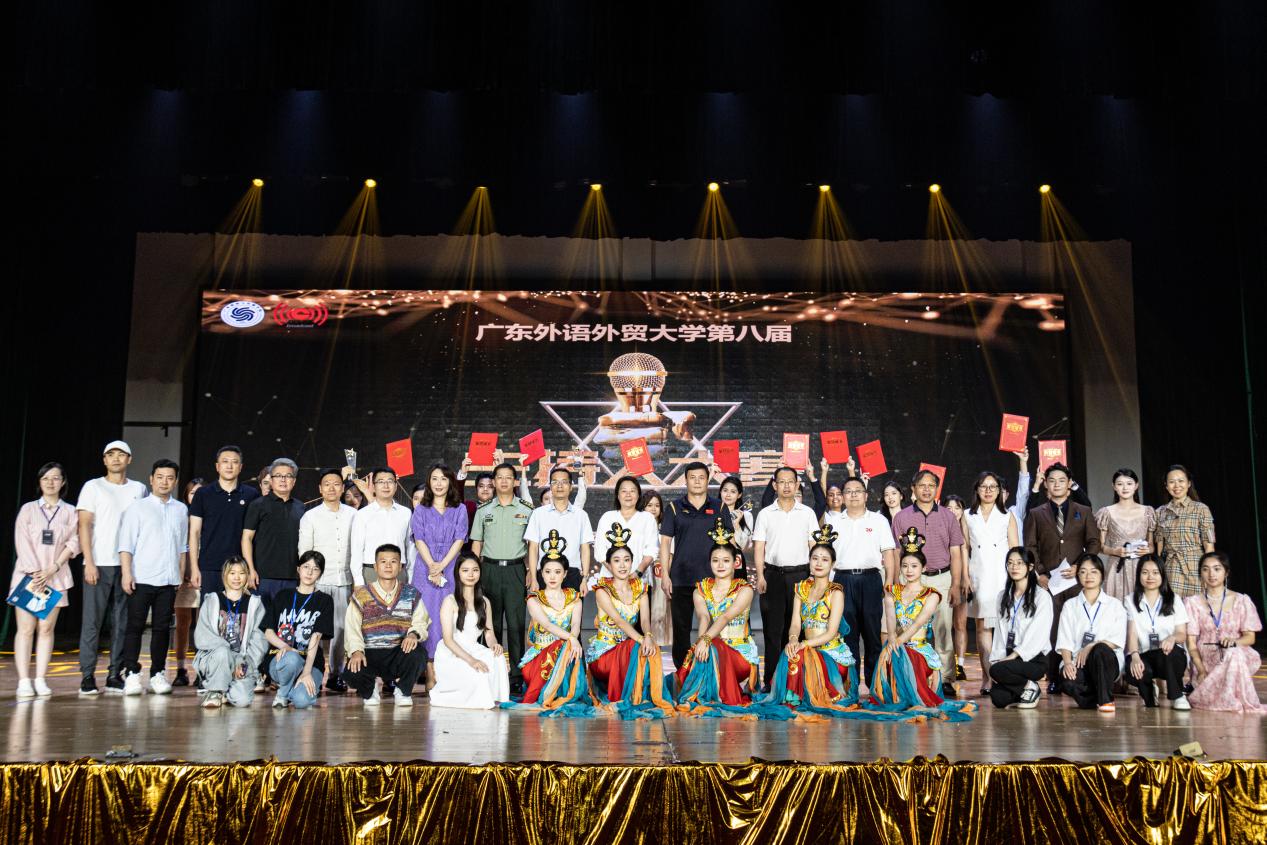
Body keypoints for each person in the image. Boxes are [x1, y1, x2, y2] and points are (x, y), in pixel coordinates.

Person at [756, 529, 863, 718]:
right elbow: (795, 624)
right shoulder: (801, 588)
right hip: (808, 650)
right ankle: (792, 698)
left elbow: (831, 633)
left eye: (825, 559)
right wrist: (792, 639)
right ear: (809, 561)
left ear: (833, 564)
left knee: (800, 656)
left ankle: (801, 698)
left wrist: (803, 644)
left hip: (830, 654)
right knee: (790, 652)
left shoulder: (836, 592)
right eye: (815, 558)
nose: (819, 563)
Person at [1023, 462, 1102, 693]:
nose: (1056, 484)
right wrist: (1040, 573)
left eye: (1061, 480)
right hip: (1049, 581)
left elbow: (1094, 542)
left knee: (1080, 623)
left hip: (1077, 579)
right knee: (1053, 626)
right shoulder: (1036, 513)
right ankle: (1055, 676)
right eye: (1052, 480)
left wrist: (1080, 566)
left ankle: (1082, 672)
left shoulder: (1083, 511)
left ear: (1069, 484)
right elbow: (1030, 546)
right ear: (1046, 485)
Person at [869, 540, 973, 717]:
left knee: (903, 656)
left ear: (923, 568)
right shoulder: (892, 592)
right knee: (887, 655)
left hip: (920, 649)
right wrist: (892, 640)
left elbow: (918, 623)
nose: (909, 570)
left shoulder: (931, 595)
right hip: (898, 645)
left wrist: (897, 642)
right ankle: (897, 698)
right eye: (905, 566)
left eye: (914, 566)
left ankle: (914, 700)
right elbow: (890, 621)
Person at [76, 440, 148, 696]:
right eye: (111, 455)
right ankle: (87, 676)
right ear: (104, 460)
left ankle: (114, 674)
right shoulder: (93, 487)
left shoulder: (139, 489)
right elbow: (84, 525)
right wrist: (89, 561)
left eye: (121, 454)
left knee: (122, 622)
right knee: (92, 622)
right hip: (99, 563)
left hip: (128, 565)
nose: (116, 458)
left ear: (129, 459)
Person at [189, 445, 260, 691]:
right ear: (217, 466)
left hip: (239, 570)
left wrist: (250, 569)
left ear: (241, 467)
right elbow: (194, 532)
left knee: (241, 622)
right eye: (225, 461)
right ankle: (204, 673)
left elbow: (252, 535)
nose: (230, 465)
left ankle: (240, 671)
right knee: (208, 621)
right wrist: (194, 567)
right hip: (210, 566)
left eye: (234, 461)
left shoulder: (251, 494)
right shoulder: (204, 494)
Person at [117, 459, 189, 696]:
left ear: (175, 481)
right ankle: (131, 673)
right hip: (141, 578)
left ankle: (158, 673)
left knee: (162, 629)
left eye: (169, 477)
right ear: (151, 479)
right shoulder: (138, 508)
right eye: (160, 477)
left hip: (168, 580)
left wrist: (180, 574)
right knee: (135, 627)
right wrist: (127, 573)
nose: (164, 482)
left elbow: (182, 546)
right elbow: (126, 544)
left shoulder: (181, 509)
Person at [891, 469, 965, 696]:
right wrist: (895, 582)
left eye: (931, 485)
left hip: (941, 578)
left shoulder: (948, 516)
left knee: (943, 629)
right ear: (913, 489)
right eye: (921, 485)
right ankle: (908, 675)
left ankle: (946, 678)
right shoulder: (901, 517)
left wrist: (955, 584)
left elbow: (956, 552)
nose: (926, 489)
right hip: (910, 579)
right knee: (908, 629)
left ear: (937, 489)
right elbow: (896, 553)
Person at [11, 462, 81, 700]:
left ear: (63, 482)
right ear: (39, 482)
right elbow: (21, 541)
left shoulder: (70, 511)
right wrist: (36, 573)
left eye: (55, 478)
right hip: (28, 577)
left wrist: (53, 567)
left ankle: (40, 678)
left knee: (46, 628)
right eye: (45, 478)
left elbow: (74, 542)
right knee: (26, 629)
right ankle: (23, 681)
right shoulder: (28, 509)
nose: (50, 483)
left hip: (56, 576)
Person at [821, 475, 897, 690]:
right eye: (848, 491)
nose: (853, 495)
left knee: (873, 635)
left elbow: (888, 553)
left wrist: (889, 582)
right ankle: (850, 686)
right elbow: (825, 555)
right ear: (843, 497)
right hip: (842, 581)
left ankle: (875, 686)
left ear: (866, 495)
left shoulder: (879, 520)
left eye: (857, 491)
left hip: (871, 579)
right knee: (847, 636)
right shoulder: (833, 522)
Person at [586, 540, 675, 718]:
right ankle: (625, 698)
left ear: (632, 562)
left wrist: (648, 636)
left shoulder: (640, 588)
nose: (622, 565)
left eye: (626, 560)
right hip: (604, 653)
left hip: (626, 651)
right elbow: (619, 621)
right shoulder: (602, 590)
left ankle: (643, 695)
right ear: (609, 565)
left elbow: (645, 620)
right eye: (617, 560)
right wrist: (642, 639)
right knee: (636, 646)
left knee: (649, 647)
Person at [675, 530, 758, 713]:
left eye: (726, 561)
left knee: (712, 645)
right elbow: (704, 617)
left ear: (736, 562)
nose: (720, 565)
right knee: (705, 650)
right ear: (710, 562)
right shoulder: (701, 590)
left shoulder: (744, 590)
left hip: (740, 654)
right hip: (715, 649)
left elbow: (726, 616)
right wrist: (700, 644)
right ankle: (701, 696)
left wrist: (706, 640)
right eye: (715, 560)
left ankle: (700, 697)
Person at [752, 466, 821, 690]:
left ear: (797, 484)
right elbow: (759, 547)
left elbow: (814, 546)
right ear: (774, 485)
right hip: (772, 575)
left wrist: (814, 577)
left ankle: (795, 681)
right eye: (781, 482)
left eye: (791, 481)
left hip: (801, 576)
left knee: (798, 631)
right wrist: (760, 575)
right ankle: (771, 682)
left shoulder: (807, 513)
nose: (786, 486)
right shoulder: (765, 514)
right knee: (772, 631)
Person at [470, 461, 534, 696]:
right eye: (500, 477)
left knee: (516, 625)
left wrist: (531, 571)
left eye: (508, 477)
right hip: (489, 570)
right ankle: (490, 672)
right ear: (494, 482)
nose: (504, 481)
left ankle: (516, 676)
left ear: (515, 481)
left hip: (516, 570)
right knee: (490, 624)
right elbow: (477, 544)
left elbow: (532, 545)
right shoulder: (484, 510)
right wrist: (474, 574)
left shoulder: (527, 510)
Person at [342, 544, 431, 706]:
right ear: (375, 567)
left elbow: (421, 620)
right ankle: (370, 690)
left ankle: (403, 690)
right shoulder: (361, 595)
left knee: (419, 654)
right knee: (351, 671)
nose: (388, 566)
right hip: (370, 653)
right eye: (383, 562)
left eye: (393, 562)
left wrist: (413, 634)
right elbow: (351, 628)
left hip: (398, 652)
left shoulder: (411, 593)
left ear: (401, 567)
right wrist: (356, 651)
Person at [411, 464, 469, 690]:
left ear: (450, 482)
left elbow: (459, 539)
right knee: (427, 617)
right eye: (434, 478)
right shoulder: (421, 510)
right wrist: (432, 567)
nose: (438, 483)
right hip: (425, 568)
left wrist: (442, 566)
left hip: (451, 566)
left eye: (443, 479)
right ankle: (429, 674)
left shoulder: (460, 509)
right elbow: (419, 539)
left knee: (450, 617)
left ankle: (449, 672)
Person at [298, 468, 356, 694]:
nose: (332, 488)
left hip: (344, 580)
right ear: (320, 489)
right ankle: (311, 671)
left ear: (342, 488)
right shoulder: (310, 516)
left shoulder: (353, 515)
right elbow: (305, 551)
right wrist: (308, 580)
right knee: (314, 629)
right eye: (327, 484)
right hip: (319, 581)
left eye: (336, 484)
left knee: (340, 630)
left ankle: (336, 674)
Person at [963, 472, 1019, 696]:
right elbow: (964, 549)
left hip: (1003, 576)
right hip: (978, 574)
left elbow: (1015, 549)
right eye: (984, 486)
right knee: (983, 627)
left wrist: (1017, 578)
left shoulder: (1007, 516)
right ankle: (987, 676)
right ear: (977, 490)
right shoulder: (968, 516)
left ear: (999, 491)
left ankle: (1005, 675)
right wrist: (965, 576)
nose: (988, 491)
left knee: (1005, 627)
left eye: (993, 487)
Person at [430, 554, 511, 708]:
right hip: (452, 652)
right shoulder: (450, 601)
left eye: (475, 570)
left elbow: (489, 633)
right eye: (465, 570)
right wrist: (472, 661)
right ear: (458, 573)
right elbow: (448, 640)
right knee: (478, 673)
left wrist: (494, 644)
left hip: (475, 648)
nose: (471, 574)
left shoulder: (485, 602)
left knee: (498, 658)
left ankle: (496, 698)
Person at [1184, 552, 1261, 712]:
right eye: (1206, 569)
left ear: (1226, 572)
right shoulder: (1192, 603)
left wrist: (1234, 642)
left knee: (1234, 653)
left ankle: (1230, 700)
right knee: (1233, 655)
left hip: (1236, 656)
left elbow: (1250, 637)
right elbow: (1191, 644)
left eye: (1217, 569)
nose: (1211, 574)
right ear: (1200, 573)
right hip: (1206, 659)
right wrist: (1201, 670)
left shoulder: (1241, 600)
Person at [260, 550, 334, 709]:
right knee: (292, 659)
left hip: (310, 662)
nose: (310, 572)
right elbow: (268, 631)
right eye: (306, 567)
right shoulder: (283, 595)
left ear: (320, 574)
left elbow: (315, 637)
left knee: (302, 701)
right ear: (298, 569)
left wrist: (307, 672)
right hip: (281, 659)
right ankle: (282, 695)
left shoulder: (325, 600)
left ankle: (290, 690)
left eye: (315, 569)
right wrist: (285, 647)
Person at [1055, 554, 1127, 712]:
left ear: (1102, 575)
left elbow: (1117, 640)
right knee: (1067, 681)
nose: (1088, 576)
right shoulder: (1070, 605)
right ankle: (1094, 698)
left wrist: (1091, 646)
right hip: (1078, 662)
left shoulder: (1115, 605)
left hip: (1107, 662)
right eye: (1083, 572)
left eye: (1093, 571)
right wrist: (1067, 663)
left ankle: (1106, 701)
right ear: (1078, 575)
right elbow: (1064, 640)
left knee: (1100, 650)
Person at [513, 555, 586, 709]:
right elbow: (547, 625)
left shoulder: (575, 598)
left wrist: (572, 640)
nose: (552, 577)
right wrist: (572, 639)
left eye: (557, 572)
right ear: (541, 574)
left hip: (565, 654)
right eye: (547, 572)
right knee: (563, 645)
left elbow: (575, 625)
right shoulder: (534, 599)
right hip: (538, 660)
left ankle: (565, 694)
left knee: (566, 647)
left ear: (565, 574)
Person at [193, 557, 268, 709]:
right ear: (225, 575)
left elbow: (259, 641)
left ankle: (226, 690)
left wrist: (244, 663)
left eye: (241, 573)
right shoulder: (212, 600)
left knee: (243, 701)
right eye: (232, 573)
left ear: (247, 576)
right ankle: (215, 691)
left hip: (242, 661)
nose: (237, 577)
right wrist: (228, 653)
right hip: (216, 658)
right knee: (222, 652)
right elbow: (202, 636)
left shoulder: (254, 604)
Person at [986, 548, 1053, 709]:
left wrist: (1012, 657)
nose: (1014, 567)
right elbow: (1000, 633)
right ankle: (1024, 688)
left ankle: (1031, 687)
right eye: (1010, 563)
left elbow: (1038, 634)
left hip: (1033, 658)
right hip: (1010, 657)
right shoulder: (1003, 596)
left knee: (997, 671)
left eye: (1019, 563)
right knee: (998, 698)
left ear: (1030, 567)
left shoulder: (1041, 596)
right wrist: (997, 660)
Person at [1124, 555, 1190, 709]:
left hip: (1167, 655)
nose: (1150, 577)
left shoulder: (1174, 599)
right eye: (1145, 572)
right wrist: (1134, 656)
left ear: (1162, 575)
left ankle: (1178, 696)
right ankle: (1149, 693)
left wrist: (1172, 638)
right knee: (1133, 667)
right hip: (1143, 654)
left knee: (1171, 653)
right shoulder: (1130, 600)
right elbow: (1132, 633)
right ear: (1138, 575)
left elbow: (1182, 633)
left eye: (1155, 572)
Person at [241, 458, 305, 606]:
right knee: (262, 618)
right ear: (271, 480)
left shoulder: (300, 507)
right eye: (278, 475)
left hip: (292, 577)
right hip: (263, 577)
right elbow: (246, 538)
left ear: (294, 481)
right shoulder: (258, 505)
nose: (283, 479)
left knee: (287, 619)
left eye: (288, 476)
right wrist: (250, 570)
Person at [525, 465, 594, 592]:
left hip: (572, 573)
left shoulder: (581, 515)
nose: (560, 486)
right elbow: (533, 548)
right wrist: (534, 578)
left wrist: (584, 579)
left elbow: (585, 548)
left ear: (571, 486)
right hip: (545, 572)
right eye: (555, 482)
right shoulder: (538, 514)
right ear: (550, 487)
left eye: (564, 482)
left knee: (573, 606)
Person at [1095, 468, 1156, 603]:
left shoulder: (1148, 511)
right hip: (1116, 566)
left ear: (1136, 485)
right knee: (1116, 607)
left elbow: (1151, 545)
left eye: (1129, 483)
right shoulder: (1106, 512)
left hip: (1142, 567)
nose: (1125, 488)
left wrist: (1148, 550)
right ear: (1114, 486)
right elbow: (1099, 546)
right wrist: (1114, 551)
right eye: (1120, 484)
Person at [1155, 465, 1216, 599]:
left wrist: (1209, 571)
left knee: (1198, 606)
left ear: (1188, 483)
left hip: (1196, 566)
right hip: (1171, 567)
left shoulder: (1201, 509)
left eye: (1181, 481)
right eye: (1172, 482)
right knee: (1173, 607)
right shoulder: (1160, 512)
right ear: (1166, 486)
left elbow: (1209, 545)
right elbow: (1159, 547)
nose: (1176, 485)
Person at [349, 467, 413, 588]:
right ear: (373, 486)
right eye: (381, 481)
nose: (386, 485)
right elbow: (356, 550)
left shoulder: (406, 513)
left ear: (396, 486)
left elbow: (410, 548)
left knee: (401, 602)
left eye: (390, 481)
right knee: (370, 602)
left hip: (399, 573)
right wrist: (358, 581)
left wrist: (410, 576)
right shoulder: (362, 514)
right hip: (370, 573)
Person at [593, 476, 659, 584]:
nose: (628, 494)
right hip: (610, 581)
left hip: (639, 581)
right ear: (618, 495)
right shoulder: (607, 517)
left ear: (638, 495)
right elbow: (600, 551)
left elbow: (652, 550)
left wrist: (637, 573)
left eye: (632, 491)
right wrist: (617, 574)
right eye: (624, 491)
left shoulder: (647, 518)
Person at [171, 477, 204, 687]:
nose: (196, 496)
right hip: (183, 577)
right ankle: (181, 669)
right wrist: (182, 573)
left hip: (204, 576)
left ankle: (202, 670)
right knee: (182, 623)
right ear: (186, 496)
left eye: (200, 492)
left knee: (205, 625)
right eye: (193, 493)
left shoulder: (210, 515)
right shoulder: (181, 516)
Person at [944, 494, 971, 683]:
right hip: (944, 578)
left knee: (960, 624)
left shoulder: (967, 528)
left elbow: (967, 555)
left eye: (957, 507)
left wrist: (965, 578)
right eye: (949, 507)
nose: (953, 511)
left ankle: (960, 665)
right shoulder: (941, 526)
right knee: (942, 625)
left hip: (963, 580)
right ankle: (943, 665)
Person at [641, 491, 673, 646]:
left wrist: (667, 574)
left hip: (660, 574)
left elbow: (670, 554)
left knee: (659, 613)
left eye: (657, 505)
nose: (653, 509)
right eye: (649, 505)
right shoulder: (638, 528)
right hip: (642, 575)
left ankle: (658, 647)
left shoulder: (665, 529)